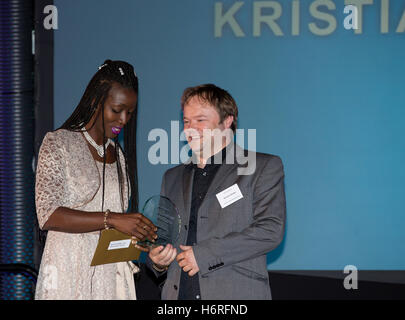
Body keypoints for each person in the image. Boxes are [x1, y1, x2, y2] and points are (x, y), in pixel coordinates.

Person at [147, 84, 286, 300]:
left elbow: (270, 230)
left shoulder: (261, 167)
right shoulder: (171, 177)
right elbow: (163, 238)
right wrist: (158, 260)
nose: (190, 129)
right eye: (186, 121)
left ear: (227, 121)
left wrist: (203, 256)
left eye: (200, 120)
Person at [35, 59, 157, 300]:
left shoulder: (120, 156)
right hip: (68, 271)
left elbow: (117, 224)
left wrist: (136, 234)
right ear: (95, 101)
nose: (123, 119)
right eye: (117, 109)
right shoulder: (58, 143)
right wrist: (112, 220)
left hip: (111, 275)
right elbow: (48, 214)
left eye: (130, 112)